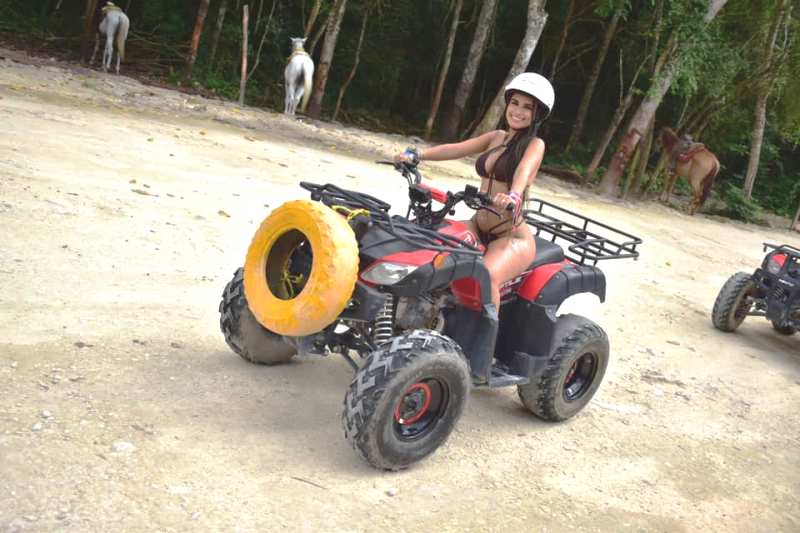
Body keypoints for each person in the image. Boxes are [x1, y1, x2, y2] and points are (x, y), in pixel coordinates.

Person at [394, 72, 554, 308]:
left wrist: (514, 196)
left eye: (527, 107)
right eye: (514, 103)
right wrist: (416, 155)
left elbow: (524, 171)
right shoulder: (496, 137)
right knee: (430, 249)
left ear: (537, 113)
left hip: (510, 234)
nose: (518, 111)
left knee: (485, 279)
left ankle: (481, 344)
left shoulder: (534, 144)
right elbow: (457, 149)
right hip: (478, 225)